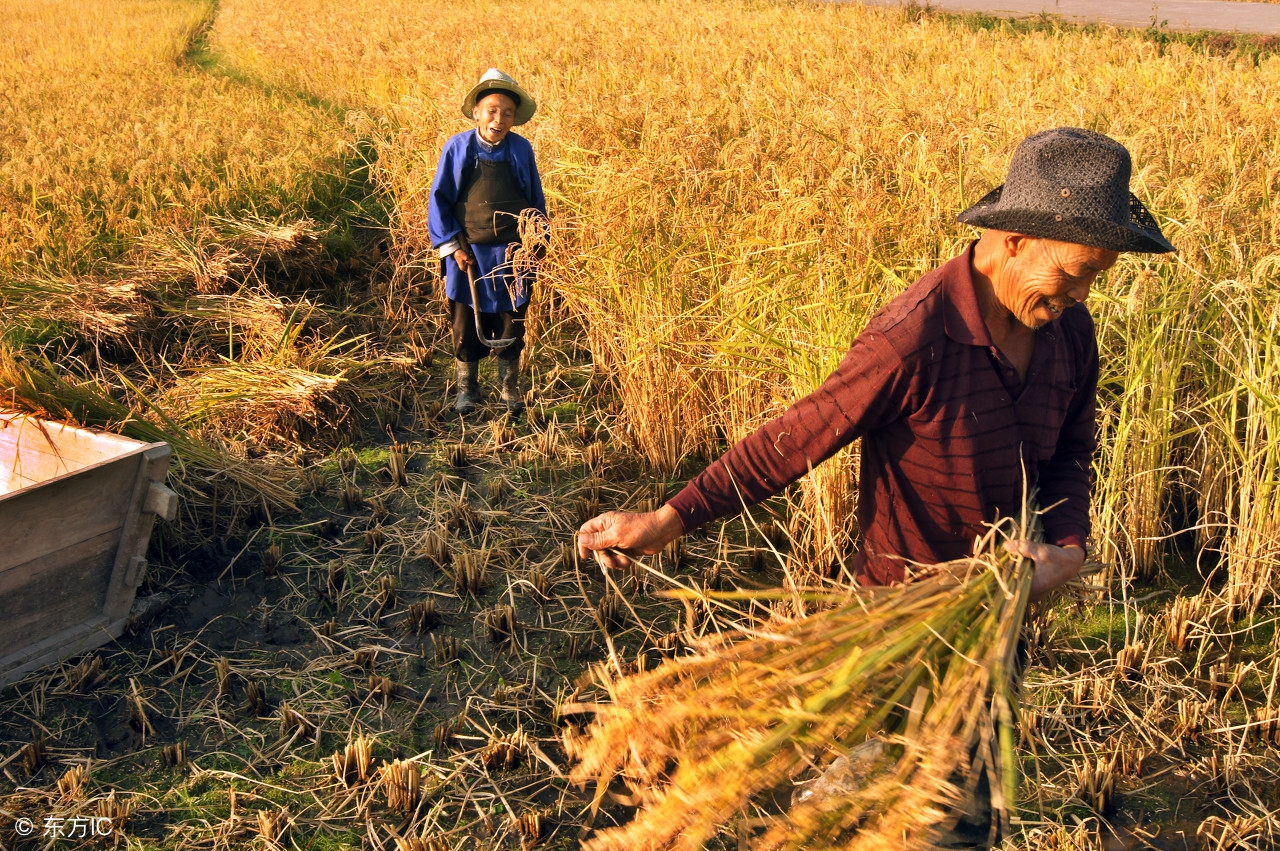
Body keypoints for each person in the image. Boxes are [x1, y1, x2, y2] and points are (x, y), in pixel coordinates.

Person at [576, 127, 1175, 847]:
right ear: (1015, 238)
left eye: (1096, 277)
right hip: (897, 620)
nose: (1081, 294)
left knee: (937, 812)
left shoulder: (1069, 335)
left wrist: (1068, 546)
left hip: (993, 625)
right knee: (914, 819)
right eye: (1076, 272)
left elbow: (1072, 452)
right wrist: (667, 519)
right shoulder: (914, 335)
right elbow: (797, 436)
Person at [429, 69, 547, 416]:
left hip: (514, 254)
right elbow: (440, 200)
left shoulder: (520, 149)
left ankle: (510, 389)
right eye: (492, 110)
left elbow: (534, 200)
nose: (499, 119)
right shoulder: (458, 147)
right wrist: (454, 248)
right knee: (466, 322)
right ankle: (468, 389)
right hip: (469, 253)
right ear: (478, 111)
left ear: (515, 118)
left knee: (514, 320)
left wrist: (536, 243)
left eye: (507, 113)